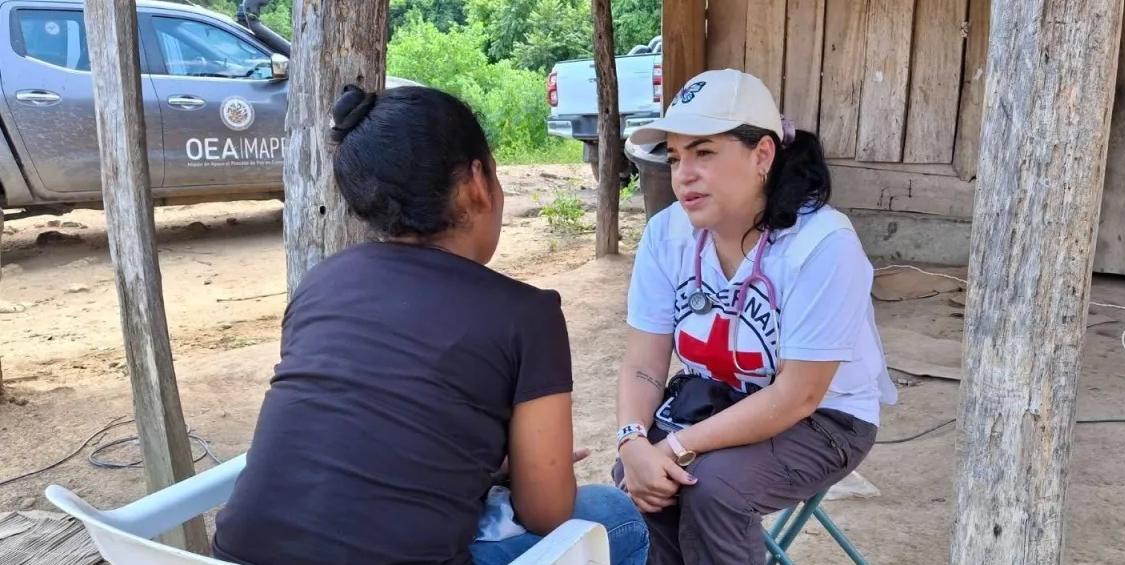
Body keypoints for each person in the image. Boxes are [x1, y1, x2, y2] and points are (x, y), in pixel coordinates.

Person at [212, 85, 648, 565]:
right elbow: (547, 513)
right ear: (477, 183)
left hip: (232, 557)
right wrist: (531, 474)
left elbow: (349, 427)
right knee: (613, 514)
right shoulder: (527, 314)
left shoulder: (322, 283)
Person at [612, 69, 898, 564]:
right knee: (637, 480)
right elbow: (643, 364)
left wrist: (674, 446)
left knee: (713, 489)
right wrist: (633, 441)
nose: (683, 174)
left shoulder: (822, 244)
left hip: (827, 417)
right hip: (719, 399)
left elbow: (797, 396)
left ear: (762, 155)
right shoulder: (666, 235)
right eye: (676, 157)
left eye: (704, 152)